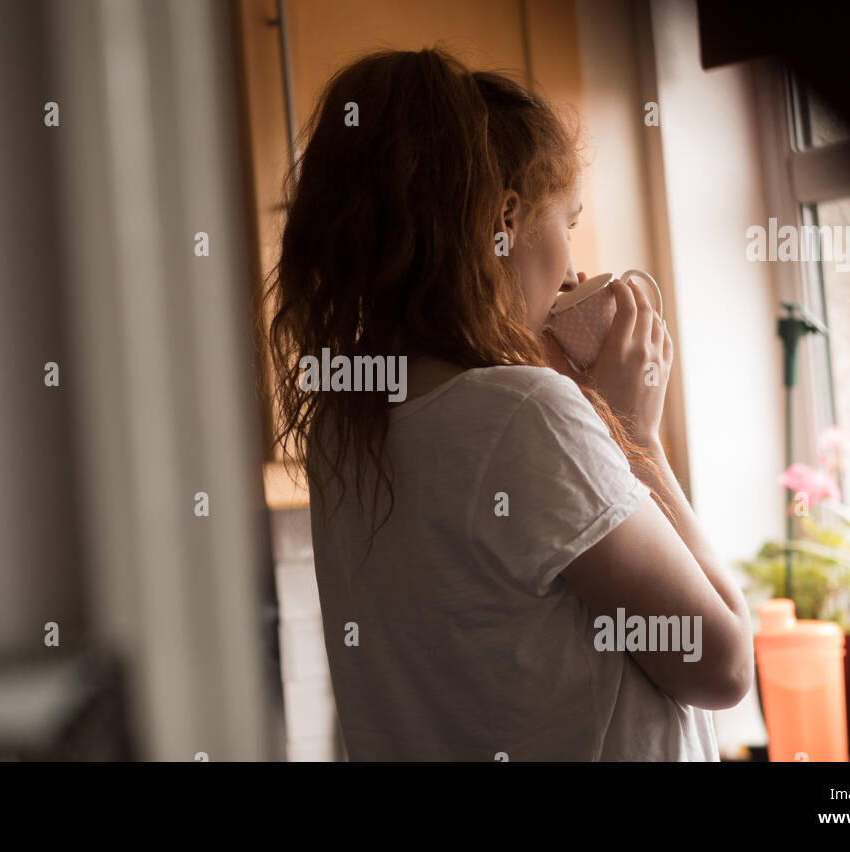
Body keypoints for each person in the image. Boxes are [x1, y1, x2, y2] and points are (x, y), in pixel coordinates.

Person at [263, 48, 753, 760]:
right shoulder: (528, 414)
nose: (575, 267)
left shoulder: (349, 419)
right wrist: (634, 437)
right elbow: (724, 665)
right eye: (568, 222)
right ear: (504, 221)